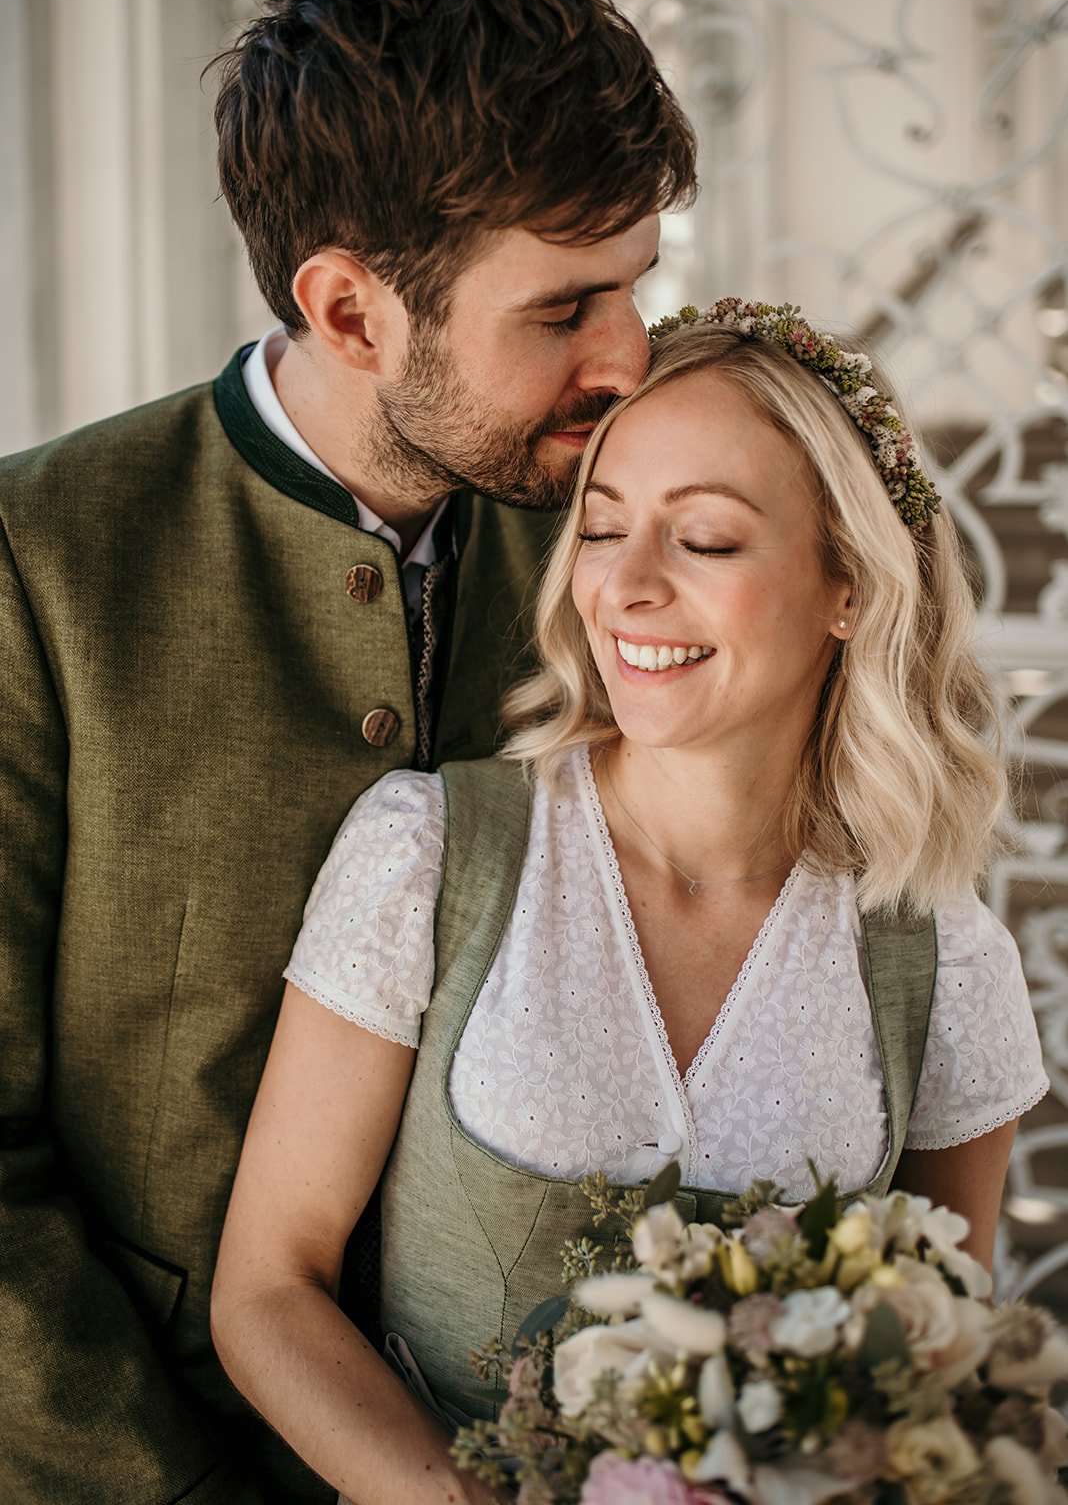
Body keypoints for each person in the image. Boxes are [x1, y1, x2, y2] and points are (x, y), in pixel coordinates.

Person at [0, 0, 697, 1505]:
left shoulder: (638, 550)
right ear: (352, 307)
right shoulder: (36, 568)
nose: (629, 356)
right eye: (564, 308)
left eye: (639, 285)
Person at [212, 301, 1049, 1505]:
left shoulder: (940, 956)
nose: (628, 587)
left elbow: (930, 1364)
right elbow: (268, 1287)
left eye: (705, 540)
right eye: (602, 530)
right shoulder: (428, 855)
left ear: (848, 587)